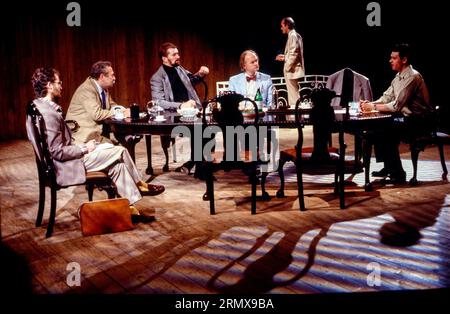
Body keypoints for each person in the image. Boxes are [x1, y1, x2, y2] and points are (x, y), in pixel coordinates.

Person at [28, 67, 163, 223]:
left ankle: (130, 209)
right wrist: (85, 148)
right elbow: (57, 152)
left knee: (118, 166)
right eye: (59, 82)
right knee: (119, 151)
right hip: (66, 165)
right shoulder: (48, 114)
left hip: (70, 156)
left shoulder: (39, 107)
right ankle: (139, 185)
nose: (62, 86)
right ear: (49, 86)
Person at [360, 43, 434, 183]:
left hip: (420, 121)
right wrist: (370, 104)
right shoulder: (398, 76)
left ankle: (398, 173)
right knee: (379, 127)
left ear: (404, 60)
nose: (390, 60)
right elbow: (386, 97)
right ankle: (389, 167)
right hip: (407, 119)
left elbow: (396, 105)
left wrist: (372, 108)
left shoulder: (412, 77)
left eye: (394, 58)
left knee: (385, 130)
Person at [150, 42, 209, 173]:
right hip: (173, 116)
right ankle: (200, 168)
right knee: (199, 130)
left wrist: (200, 73)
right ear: (164, 58)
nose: (178, 56)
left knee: (208, 128)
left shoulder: (180, 69)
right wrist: (181, 105)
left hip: (191, 112)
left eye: (178, 53)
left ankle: (195, 163)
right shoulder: (157, 78)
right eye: (174, 54)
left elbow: (192, 81)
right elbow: (158, 101)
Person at [66, 61, 128, 145]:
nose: (114, 78)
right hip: (84, 136)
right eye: (112, 75)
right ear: (102, 76)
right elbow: (97, 114)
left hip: (98, 132)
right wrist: (120, 113)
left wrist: (123, 110)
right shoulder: (86, 89)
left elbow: (111, 105)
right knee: (118, 149)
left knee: (125, 140)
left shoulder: (103, 88)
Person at [275, 17, 305, 107]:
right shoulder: (293, 35)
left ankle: (294, 115)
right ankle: (295, 112)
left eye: (282, 26)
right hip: (292, 68)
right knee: (293, 94)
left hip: (291, 70)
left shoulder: (293, 35)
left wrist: (287, 67)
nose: (281, 28)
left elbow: (294, 54)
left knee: (293, 95)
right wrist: (284, 57)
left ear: (287, 25)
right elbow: (293, 52)